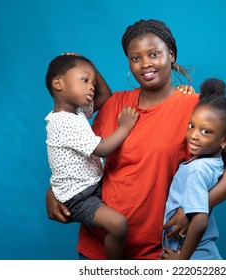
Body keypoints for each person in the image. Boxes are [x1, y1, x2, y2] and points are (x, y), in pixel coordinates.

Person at [46, 19, 226, 260]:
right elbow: (79, 153)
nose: (145, 64)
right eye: (136, 58)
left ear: (171, 55)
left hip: (159, 251)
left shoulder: (195, 108)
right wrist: (55, 190)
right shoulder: (115, 105)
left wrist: (194, 207)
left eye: (154, 54)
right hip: (101, 247)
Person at [45, 53, 139, 259]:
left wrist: (90, 65)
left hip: (91, 185)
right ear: (58, 84)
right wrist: (125, 127)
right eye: (85, 80)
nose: (92, 87)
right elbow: (103, 149)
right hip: (79, 197)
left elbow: (105, 96)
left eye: (92, 82)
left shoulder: (75, 112)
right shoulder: (62, 123)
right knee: (119, 225)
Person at [161, 78, 226, 260]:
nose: (193, 136)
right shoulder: (213, 164)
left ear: (225, 140)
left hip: (196, 256)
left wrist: (181, 260)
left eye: (205, 131)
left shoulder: (196, 170)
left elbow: (199, 222)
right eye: (191, 126)